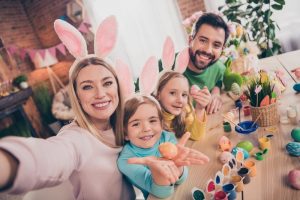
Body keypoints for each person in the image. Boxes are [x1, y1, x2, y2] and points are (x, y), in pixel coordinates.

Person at [0, 16, 138, 200]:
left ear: (118, 87)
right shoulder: (76, 138)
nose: (100, 94)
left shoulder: (126, 124)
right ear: (77, 95)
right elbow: (48, 157)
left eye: (107, 83)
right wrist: (7, 162)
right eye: (87, 86)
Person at [117, 95, 209, 199]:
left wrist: (177, 166)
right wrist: (159, 170)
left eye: (152, 121)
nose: (146, 128)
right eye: (136, 124)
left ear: (161, 124)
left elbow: (180, 180)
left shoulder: (166, 137)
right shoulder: (127, 160)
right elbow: (161, 193)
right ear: (125, 133)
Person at [183, 12, 230, 114]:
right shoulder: (166, 66)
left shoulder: (219, 68)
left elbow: (219, 79)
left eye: (216, 45)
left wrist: (216, 91)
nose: (208, 50)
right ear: (190, 40)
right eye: (203, 40)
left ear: (222, 49)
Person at [154, 71, 211, 141]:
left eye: (184, 95)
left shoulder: (185, 111)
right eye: (172, 93)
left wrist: (200, 108)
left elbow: (196, 136)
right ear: (158, 94)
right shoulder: (152, 119)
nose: (180, 100)